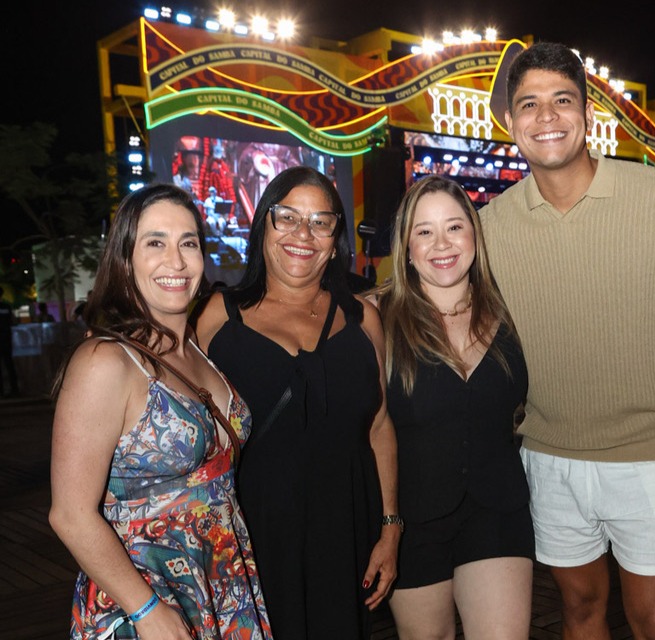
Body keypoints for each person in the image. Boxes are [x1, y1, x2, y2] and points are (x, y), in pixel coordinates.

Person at [478, 42, 655, 639]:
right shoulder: (490, 227)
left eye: (561, 100)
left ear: (587, 112)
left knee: (654, 620)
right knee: (579, 612)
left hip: (648, 458)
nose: (546, 117)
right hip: (546, 456)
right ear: (511, 122)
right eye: (529, 104)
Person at [48, 184, 272, 639]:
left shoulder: (194, 349)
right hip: (143, 599)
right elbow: (70, 514)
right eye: (156, 243)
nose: (176, 260)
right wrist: (147, 609)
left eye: (188, 242)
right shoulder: (105, 362)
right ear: (125, 259)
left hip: (222, 580)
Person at [193, 166, 400, 639]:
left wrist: (390, 529)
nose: (302, 234)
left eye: (320, 222)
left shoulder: (363, 317)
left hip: (346, 531)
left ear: (334, 237)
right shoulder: (217, 316)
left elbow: (380, 425)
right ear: (262, 221)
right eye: (286, 217)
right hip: (253, 536)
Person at [369, 175, 534, 639]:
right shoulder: (375, 320)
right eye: (424, 231)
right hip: (413, 521)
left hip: (497, 509)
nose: (441, 243)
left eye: (455, 227)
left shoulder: (509, 310)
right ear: (405, 246)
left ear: (475, 237)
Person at [0, 285, 19, 397]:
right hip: (7, 338)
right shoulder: (6, 307)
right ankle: (14, 389)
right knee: (9, 364)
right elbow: (14, 321)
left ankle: (1, 391)